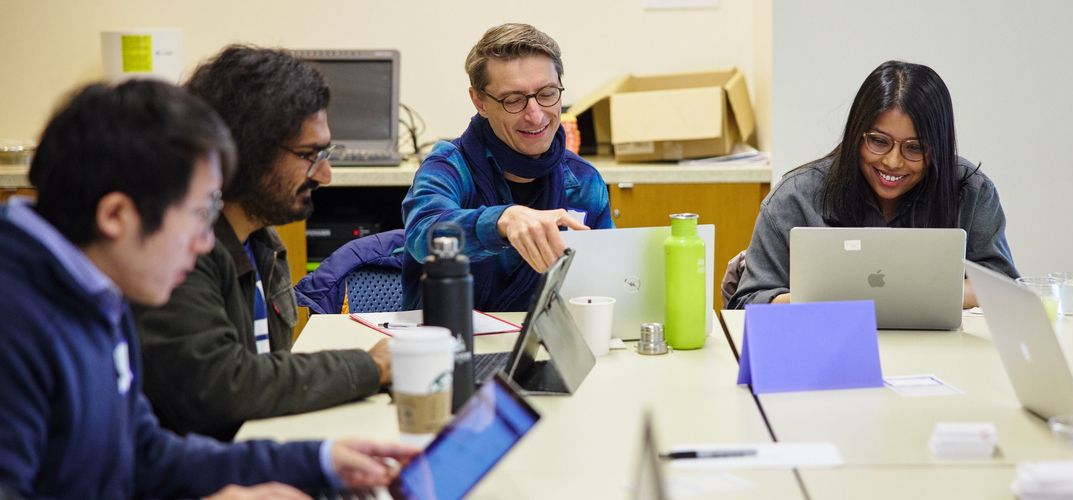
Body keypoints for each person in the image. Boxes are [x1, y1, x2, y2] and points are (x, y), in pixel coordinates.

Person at [0, 79, 414, 499]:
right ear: (116, 215)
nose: (204, 243)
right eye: (199, 214)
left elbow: (146, 454)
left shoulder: (96, 288)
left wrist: (320, 461)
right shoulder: (16, 324)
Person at [133, 45, 392, 441]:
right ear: (240, 153)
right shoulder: (181, 255)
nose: (325, 175)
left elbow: (265, 374)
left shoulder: (263, 243)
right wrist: (369, 368)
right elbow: (223, 387)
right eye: (309, 155)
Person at [728, 60, 1019, 310]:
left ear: (938, 149)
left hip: (941, 357)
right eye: (878, 141)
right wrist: (830, 301)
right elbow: (747, 303)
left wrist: (924, 297)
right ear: (857, 134)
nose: (893, 162)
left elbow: (1004, 288)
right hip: (827, 357)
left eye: (915, 148)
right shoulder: (795, 197)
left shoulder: (971, 192)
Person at [400, 23, 614, 312]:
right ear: (480, 101)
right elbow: (422, 235)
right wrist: (502, 220)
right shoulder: (447, 167)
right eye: (513, 100)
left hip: (544, 345)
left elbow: (607, 279)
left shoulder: (583, 181)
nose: (536, 115)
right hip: (450, 342)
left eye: (548, 93)